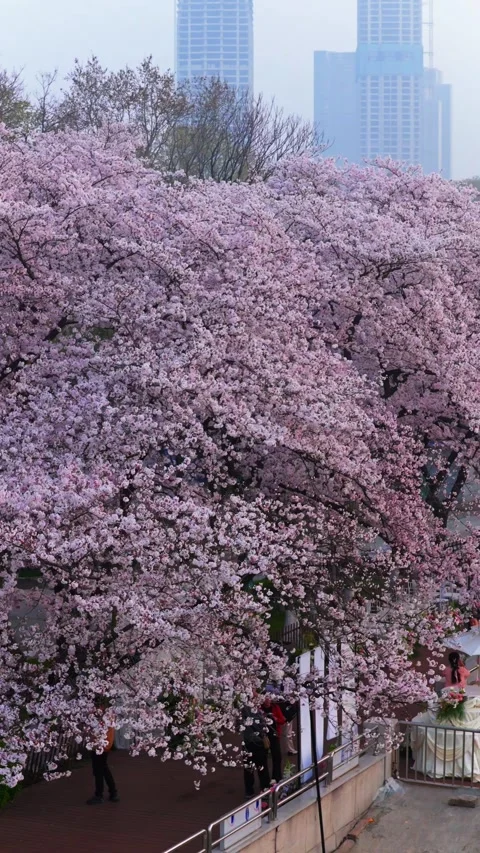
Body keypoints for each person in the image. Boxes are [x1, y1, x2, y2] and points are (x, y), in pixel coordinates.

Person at [242, 705, 271, 799]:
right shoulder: (249, 709)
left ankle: (249, 790)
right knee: (261, 766)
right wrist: (263, 733)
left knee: (249, 768)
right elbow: (258, 724)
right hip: (256, 742)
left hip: (247, 742)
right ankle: (264, 788)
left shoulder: (242, 709)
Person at [87, 723, 119, 805]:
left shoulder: (103, 716)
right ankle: (113, 792)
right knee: (104, 769)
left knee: (98, 770)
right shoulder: (109, 715)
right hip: (104, 744)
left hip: (100, 745)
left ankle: (99, 795)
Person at [261, 695, 285, 783]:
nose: (267, 701)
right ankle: (265, 781)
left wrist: (275, 719)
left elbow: (282, 720)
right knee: (263, 758)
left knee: (277, 756)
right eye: (265, 699)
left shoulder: (275, 707)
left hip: (274, 735)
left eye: (268, 699)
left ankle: (277, 777)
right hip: (263, 736)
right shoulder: (259, 708)